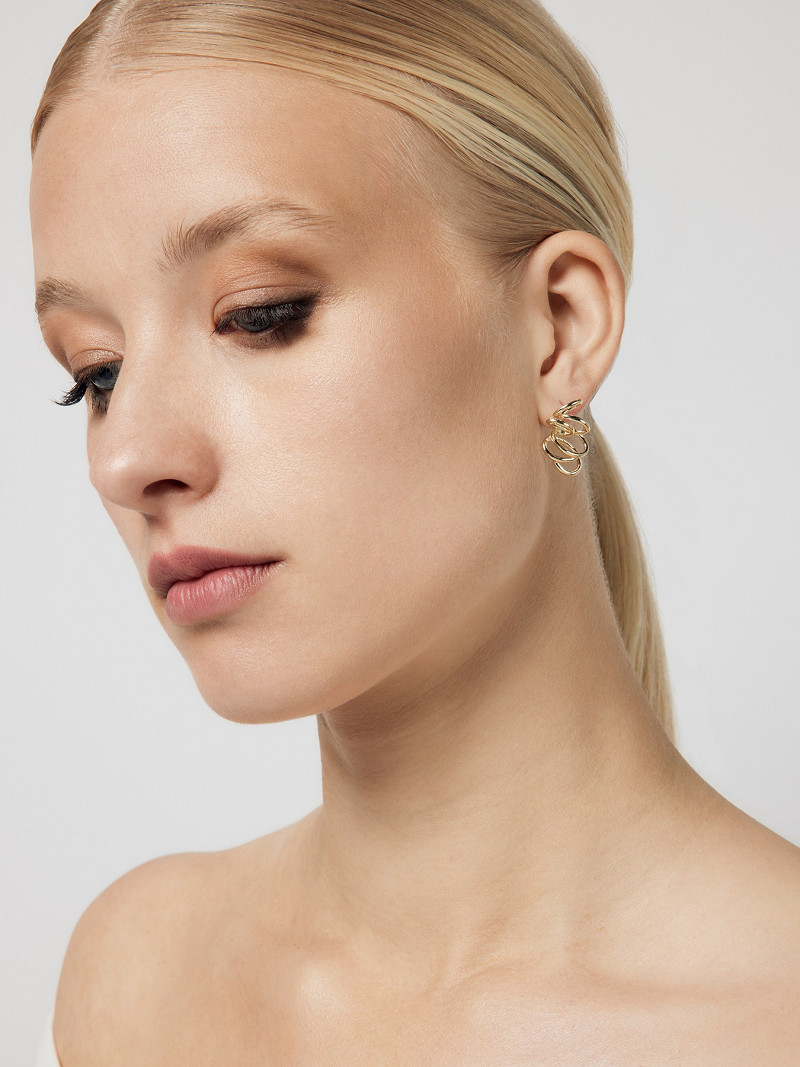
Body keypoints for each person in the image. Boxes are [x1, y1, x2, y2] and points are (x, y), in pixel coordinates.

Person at [29, 0, 800, 1063]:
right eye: (96, 374)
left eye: (259, 313)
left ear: (558, 329)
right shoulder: (137, 976)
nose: (126, 457)